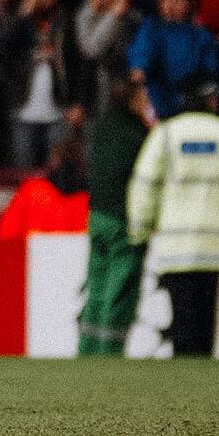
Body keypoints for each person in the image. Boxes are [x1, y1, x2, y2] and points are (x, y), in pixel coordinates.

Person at [126, 77, 219, 357]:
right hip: (213, 246)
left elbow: (144, 184)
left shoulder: (166, 134)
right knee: (204, 324)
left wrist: (140, 229)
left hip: (175, 248)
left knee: (181, 322)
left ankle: (181, 381)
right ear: (209, 99)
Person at [80, 79, 151, 356]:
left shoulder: (101, 127)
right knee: (120, 288)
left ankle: (86, 351)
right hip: (123, 218)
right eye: (143, 96)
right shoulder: (137, 134)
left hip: (97, 216)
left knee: (96, 284)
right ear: (132, 100)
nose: (147, 101)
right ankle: (109, 352)